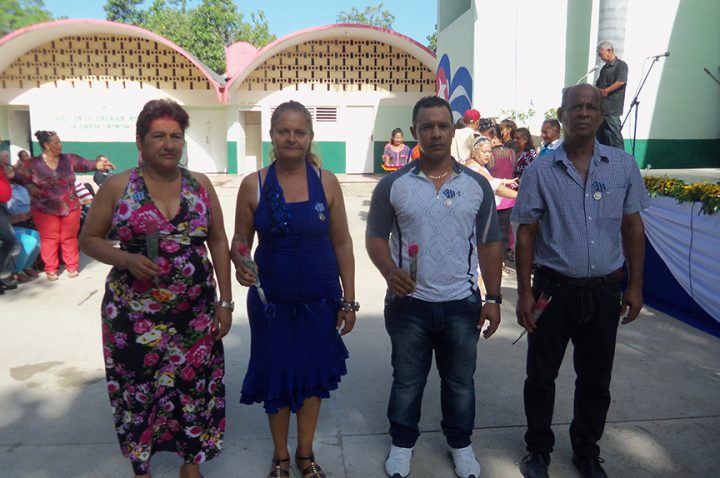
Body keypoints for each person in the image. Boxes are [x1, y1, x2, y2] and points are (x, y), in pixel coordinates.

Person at [79, 99, 232, 478]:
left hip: (194, 314)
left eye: (176, 136)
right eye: (158, 136)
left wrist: (225, 302)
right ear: (140, 141)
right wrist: (126, 259)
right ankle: (141, 465)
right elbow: (89, 239)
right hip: (133, 316)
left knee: (195, 388)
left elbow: (218, 240)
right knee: (139, 391)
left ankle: (190, 463)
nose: (169, 144)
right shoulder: (118, 186)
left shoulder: (201, 185)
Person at [513, 84, 649, 478]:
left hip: (605, 292)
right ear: (563, 113)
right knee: (541, 377)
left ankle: (587, 451)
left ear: (602, 114)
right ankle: (538, 451)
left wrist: (635, 285)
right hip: (553, 292)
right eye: (577, 107)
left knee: (596, 381)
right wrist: (524, 292)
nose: (584, 113)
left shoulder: (622, 166)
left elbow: (633, 227)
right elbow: (526, 232)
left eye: (592, 107)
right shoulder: (542, 169)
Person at [366, 96, 503, 478]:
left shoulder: (476, 185)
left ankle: (460, 445)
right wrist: (389, 271)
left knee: (459, 382)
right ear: (415, 133)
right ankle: (402, 443)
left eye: (443, 125)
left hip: (461, 303)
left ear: (452, 129)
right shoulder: (393, 185)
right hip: (409, 305)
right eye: (427, 126)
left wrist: (492, 297)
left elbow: (491, 242)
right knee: (407, 380)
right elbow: (375, 237)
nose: (436, 132)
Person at [231, 100, 356, 478]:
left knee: (313, 381)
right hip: (272, 304)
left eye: (299, 131)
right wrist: (241, 263)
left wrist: (348, 300)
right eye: (284, 131)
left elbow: (343, 244)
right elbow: (239, 239)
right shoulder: (254, 184)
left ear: (310, 137)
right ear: (272, 136)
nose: (291, 138)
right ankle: (280, 458)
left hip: (321, 301)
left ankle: (306, 455)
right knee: (278, 380)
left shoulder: (326, 181)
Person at [12, 131, 115, 280]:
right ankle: (51, 269)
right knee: (49, 238)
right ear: (46, 145)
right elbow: (20, 177)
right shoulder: (33, 164)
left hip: (70, 205)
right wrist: (28, 186)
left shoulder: (69, 159)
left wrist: (100, 165)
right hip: (44, 208)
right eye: (56, 142)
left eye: (60, 142)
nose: (60, 145)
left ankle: (72, 266)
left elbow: (86, 164)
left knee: (69, 237)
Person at [595, 41, 628, 150]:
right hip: (601, 109)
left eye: (601, 54)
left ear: (609, 51)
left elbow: (620, 82)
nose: (601, 58)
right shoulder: (604, 69)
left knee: (614, 137)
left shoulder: (621, 65)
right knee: (601, 137)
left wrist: (606, 91)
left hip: (613, 108)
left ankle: (621, 162)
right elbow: (597, 85)